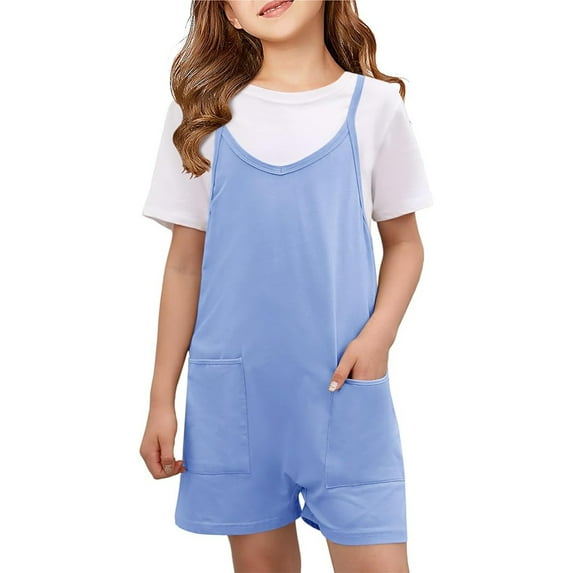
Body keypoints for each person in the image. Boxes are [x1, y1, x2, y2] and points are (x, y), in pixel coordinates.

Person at [139, 1, 433, 571]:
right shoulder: (202, 114)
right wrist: (160, 400)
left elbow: (405, 243)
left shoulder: (375, 106)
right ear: (229, 15)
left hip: (344, 390)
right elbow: (183, 267)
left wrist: (378, 338)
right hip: (237, 402)